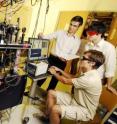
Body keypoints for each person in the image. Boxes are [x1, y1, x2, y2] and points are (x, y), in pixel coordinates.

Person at [41, 50, 105, 124]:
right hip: (76, 100)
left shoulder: (90, 78)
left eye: (84, 58)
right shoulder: (87, 72)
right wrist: (60, 70)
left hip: (85, 110)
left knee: (55, 109)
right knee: (51, 93)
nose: (80, 59)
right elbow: (73, 77)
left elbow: (65, 81)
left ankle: (52, 117)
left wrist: (54, 73)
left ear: (92, 63)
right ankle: (48, 118)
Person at [37, 16, 83, 90]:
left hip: (62, 62)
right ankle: (33, 92)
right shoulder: (60, 32)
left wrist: (64, 58)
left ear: (79, 27)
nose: (71, 27)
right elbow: (47, 37)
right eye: (71, 24)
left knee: (54, 81)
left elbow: (71, 54)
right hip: (51, 59)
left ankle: (48, 97)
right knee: (42, 76)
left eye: (74, 26)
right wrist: (41, 35)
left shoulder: (77, 40)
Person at [84, 21, 117, 95]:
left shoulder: (109, 48)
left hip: (96, 80)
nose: (88, 35)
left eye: (91, 33)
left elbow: (110, 67)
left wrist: (108, 85)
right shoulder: (87, 45)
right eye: (87, 32)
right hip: (84, 76)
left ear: (99, 34)